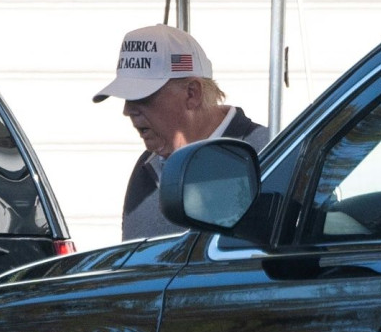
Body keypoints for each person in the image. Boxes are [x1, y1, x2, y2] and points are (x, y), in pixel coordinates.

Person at [93, 24, 270, 241]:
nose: (127, 110)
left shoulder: (268, 154)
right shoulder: (146, 167)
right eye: (127, 99)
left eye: (141, 97)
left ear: (192, 94)